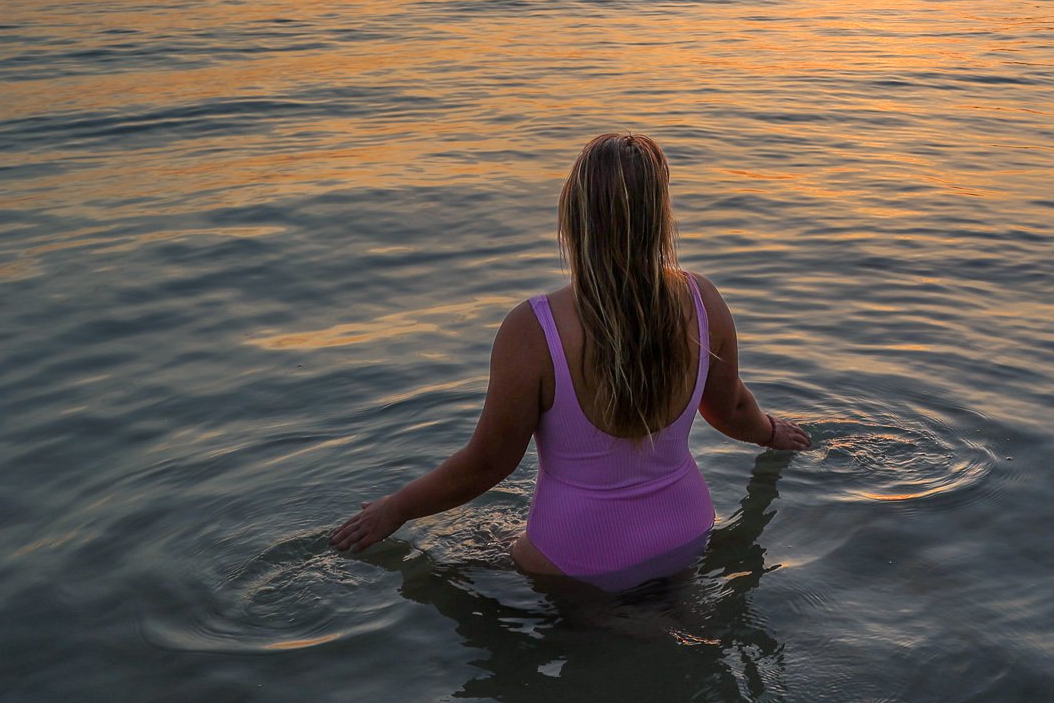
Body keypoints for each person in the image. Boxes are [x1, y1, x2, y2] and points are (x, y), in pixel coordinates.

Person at [331, 133, 809, 588]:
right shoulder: (702, 301)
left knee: (443, 579)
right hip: (686, 535)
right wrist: (771, 431)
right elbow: (730, 410)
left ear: (574, 216)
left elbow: (488, 464)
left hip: (575, 560)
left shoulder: (533, 330)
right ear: (659, 218)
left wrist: (396, 508)